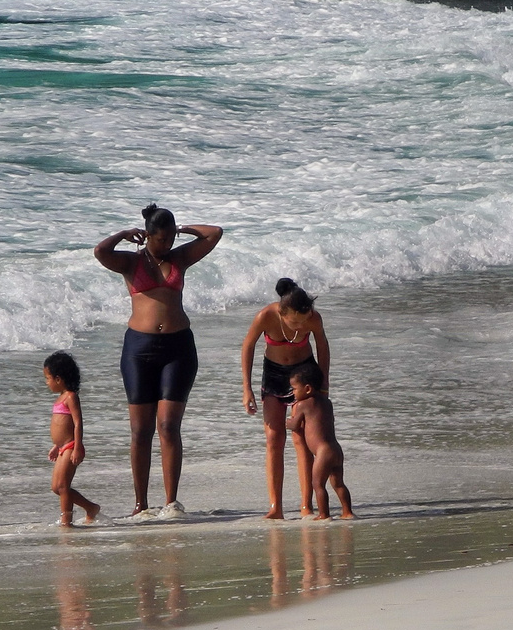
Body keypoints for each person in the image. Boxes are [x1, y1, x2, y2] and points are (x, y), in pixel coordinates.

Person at [94, 204, 223, 519]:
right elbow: (100, 251)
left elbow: (214, 233)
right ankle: (140, 504)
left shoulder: (180, 257)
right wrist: (125, 234)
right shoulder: (130, 261)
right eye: (160, 240)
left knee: (168, 426)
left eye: (169, 239)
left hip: (178, 348)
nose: (166, 246)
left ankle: (171, 503)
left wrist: (183, 230)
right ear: (146, 236)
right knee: (140, 430)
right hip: (139, 349)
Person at [240, 278, 332, 520]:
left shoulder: (313, 317)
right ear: (282, 312)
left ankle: (306, 505)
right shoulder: (266, 316)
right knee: (273, 438)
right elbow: (248, 346)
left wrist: (323, 382)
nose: (300, 326)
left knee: (301, 438)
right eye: (294, 321)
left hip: (304, 374)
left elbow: (322, 345)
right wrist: (246, 388)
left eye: (304, 321)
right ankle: (275, 507)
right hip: (274, 374)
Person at [285, 364, 354, 520]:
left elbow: (296, 425)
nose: (293, 392)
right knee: (338, 483)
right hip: (336, 449)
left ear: (308, 389)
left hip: (322, 452)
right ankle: (347, 512)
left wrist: (289, 423)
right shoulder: (326, 403)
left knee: (318, 484)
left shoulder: (303, 405)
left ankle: (324, 515)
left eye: (294, 389)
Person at [44, 351, 100, 527]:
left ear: (58, 379)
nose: (47, 382)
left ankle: (66, 520)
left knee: (63, 486)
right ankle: (90, 507)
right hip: (62, 447)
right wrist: (56, 445)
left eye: (48, 378)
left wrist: (77, 447)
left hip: (71, 446)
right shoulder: (60, 399)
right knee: (56, 487)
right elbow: (61, 426)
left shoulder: (71, 397)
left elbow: (77, 423)